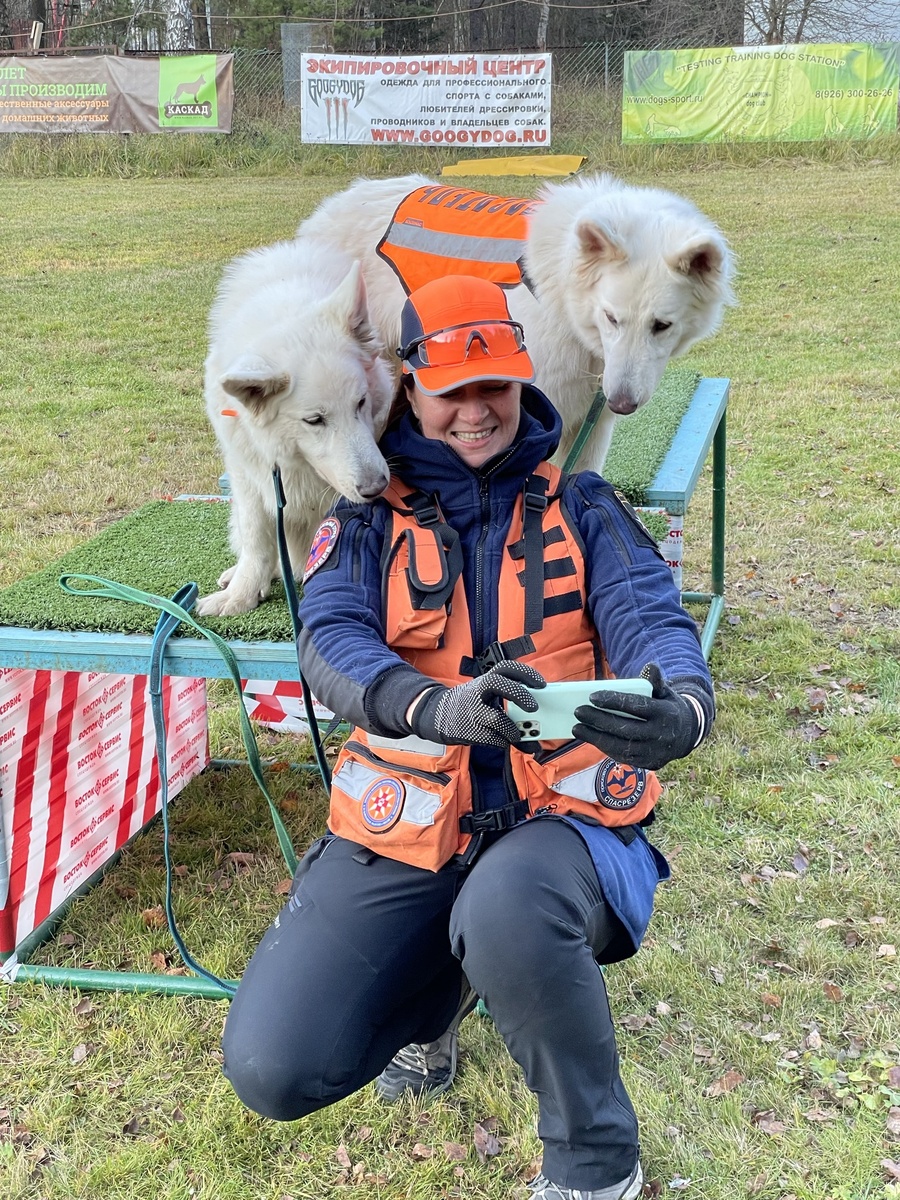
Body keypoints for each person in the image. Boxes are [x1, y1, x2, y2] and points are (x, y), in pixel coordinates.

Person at [222, 275, 715, 1200]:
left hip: (559, 829)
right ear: (412, 389)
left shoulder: (587, 504)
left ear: (520, 382)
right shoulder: (364, 521)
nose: (477, 410)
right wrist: (434, 707)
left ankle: (596, 1165)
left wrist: (682, 705)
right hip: (406, 825)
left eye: (494, 384)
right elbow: (328, 642)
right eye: (453, 388)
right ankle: (441, 993)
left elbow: (651, 619)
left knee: (507, 911)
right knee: (273, 1067)